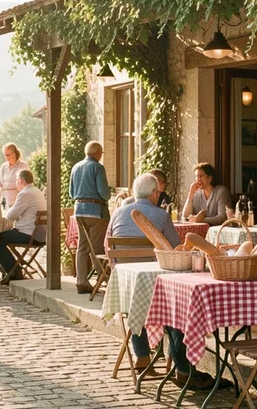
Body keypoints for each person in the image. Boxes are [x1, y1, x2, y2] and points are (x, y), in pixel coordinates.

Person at [106, 173, 180, 371]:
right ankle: (178, 365)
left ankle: (142, 356)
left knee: (136, 301)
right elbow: (176, 249)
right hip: (156, 288)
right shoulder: (162, 216)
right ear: (154, 193)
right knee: (178, 302)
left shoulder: (117, 213)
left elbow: (108, 246)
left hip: (125, 285)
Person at [0, 168, 46, 285]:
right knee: (1, 238)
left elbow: (11, 216)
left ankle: (14, 271)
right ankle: (13, 270)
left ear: (21, 180)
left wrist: (11, 208)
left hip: (29, 234)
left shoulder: (25, 194)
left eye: (16, 179)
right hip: (41, 235)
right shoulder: (37, 191)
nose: (16, 182)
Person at [69, 141, 110, 294]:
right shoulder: (98, 167)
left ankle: (81, 281)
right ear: (98, 153)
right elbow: (104, 193)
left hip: (79, 211)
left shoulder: (76, 167)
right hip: (96, 211)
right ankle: (103, 278)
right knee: (97, 247)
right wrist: (109, 192)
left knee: (82, 246)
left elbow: (71, 193)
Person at [0, 143, 29, 209]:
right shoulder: (3, 166)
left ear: (14, 153)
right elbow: (0, 185)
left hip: (18, 200)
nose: (6, 157)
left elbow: (27, 186)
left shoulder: (23, 166)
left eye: (8, 155)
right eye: (4, 155)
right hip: (4, 200)